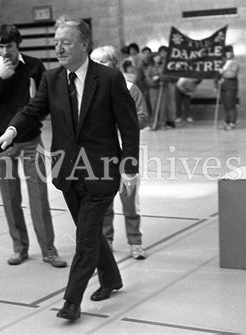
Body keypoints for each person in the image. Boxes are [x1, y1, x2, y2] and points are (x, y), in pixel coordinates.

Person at [0, 16, 139, 320]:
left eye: (66, 42)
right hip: (68, 173)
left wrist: (130, 166)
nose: (59, 47)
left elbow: (129, 125)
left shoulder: (110, 78)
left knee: (85, 240)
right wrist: (10, 132)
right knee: (90, 234)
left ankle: (71, 302)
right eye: (56, 42)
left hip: (102, 172)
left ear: (84, 44)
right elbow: (32, 111)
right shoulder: (52, 79)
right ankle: (112, 278)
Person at [0, 25, 67, 268]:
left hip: (30, 141)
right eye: (1, 47)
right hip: (1, 144)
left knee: (39, 197)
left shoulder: (34, 66)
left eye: (10, 46)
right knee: (10, 198)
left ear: (18, 45)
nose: (5, 52)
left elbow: (44, 101)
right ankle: (19, 248)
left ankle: (48, 250)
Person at [90, 46, 148, 260]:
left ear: (113, 64)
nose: (96, 65)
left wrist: (120, 122)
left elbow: (142, 118)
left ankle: (135, 242)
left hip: (126, 154)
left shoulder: (131, 88)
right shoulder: (90, 89)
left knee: (130, 201)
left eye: (102, 61)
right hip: (101, 155)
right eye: (93, 61)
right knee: (104, 202)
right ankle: (107, 241)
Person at [218, 45, 240, 131]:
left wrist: (222, 72)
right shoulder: (222, 63)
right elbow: (218, 74)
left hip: (231, 86)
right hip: (222, 86)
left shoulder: (235, 63)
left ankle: (232, 122)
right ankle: (226, 122)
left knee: (231, 104)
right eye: (227, 52)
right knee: (225, 105)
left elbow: (232, 74)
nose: (228, 53)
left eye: (230, 52)